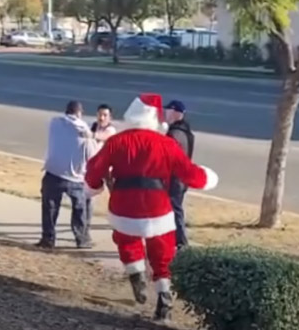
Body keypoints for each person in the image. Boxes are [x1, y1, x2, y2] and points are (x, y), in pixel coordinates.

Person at [84, 93, 218, 321]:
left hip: (124, 204)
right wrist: (207, 177)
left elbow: (95, 168)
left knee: (127, 241)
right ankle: (163, 298)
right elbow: (188, 172)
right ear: (156, 119)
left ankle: (136, 275)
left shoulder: (117, 141)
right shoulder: (166, 143)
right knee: (162, 251)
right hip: (157, 206)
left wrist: (93, 186)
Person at [36, 101, 97, 250]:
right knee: (79, 209)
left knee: (50, 208)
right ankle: (81, 239)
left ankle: (48, 239)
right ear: (79, 113)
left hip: (53, 172)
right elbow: (91, 155)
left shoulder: (54, 123)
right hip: (75, 177)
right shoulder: (85, 131)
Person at [164, 100, 195, 249]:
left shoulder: (174, 133)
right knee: (174, 209)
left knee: (175, 210)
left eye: (168, 110)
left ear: (177, 113)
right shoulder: (187, 132)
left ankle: (182, 243)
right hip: (183, 178)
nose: (166, 113)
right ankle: (173, 240)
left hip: (175, 179)